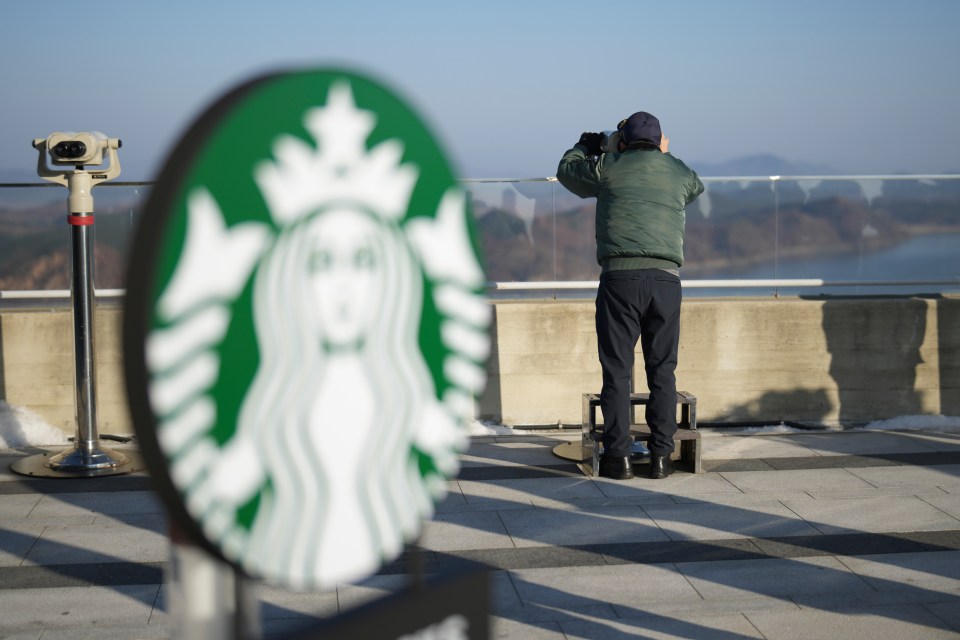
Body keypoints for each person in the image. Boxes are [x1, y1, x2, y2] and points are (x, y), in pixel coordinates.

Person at [556, 111, 704, 480]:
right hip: (666, 282)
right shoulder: (677, 171)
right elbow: (695, 187)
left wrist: (586, 146)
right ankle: (660, 459)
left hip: (619, 280)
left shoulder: (607, 165)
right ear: (659, 141)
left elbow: (567, 171)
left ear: (623, 141)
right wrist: (664, 156)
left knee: (618, 371)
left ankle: (618, 459)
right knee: (663, 371)